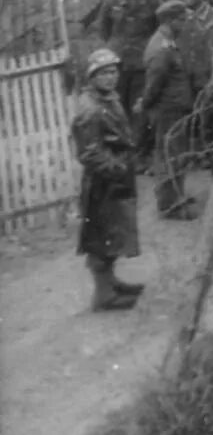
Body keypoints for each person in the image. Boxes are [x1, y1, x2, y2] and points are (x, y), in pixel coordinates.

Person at [72, 49, 144, 311]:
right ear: (91, 76)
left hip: (115, 178)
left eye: (113, 72)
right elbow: (89, 152)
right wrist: (116, 169)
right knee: (101, 236)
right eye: (103, 73)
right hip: (103, 183)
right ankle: (103, 295)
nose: (110, 78)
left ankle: (110, 282)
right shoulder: (89, 108)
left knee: (114, 233)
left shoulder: (107, 98)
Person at [138, 0, 197, 219]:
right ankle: (171, 205)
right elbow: (154, 83)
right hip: (168, 110)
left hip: (174, 109)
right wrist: (144, 104)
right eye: (181, 20)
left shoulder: (168, 42)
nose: (184, 24)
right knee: (170, 156)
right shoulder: (162, 48)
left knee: (175, 155)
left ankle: (176, 197)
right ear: (170, 20)